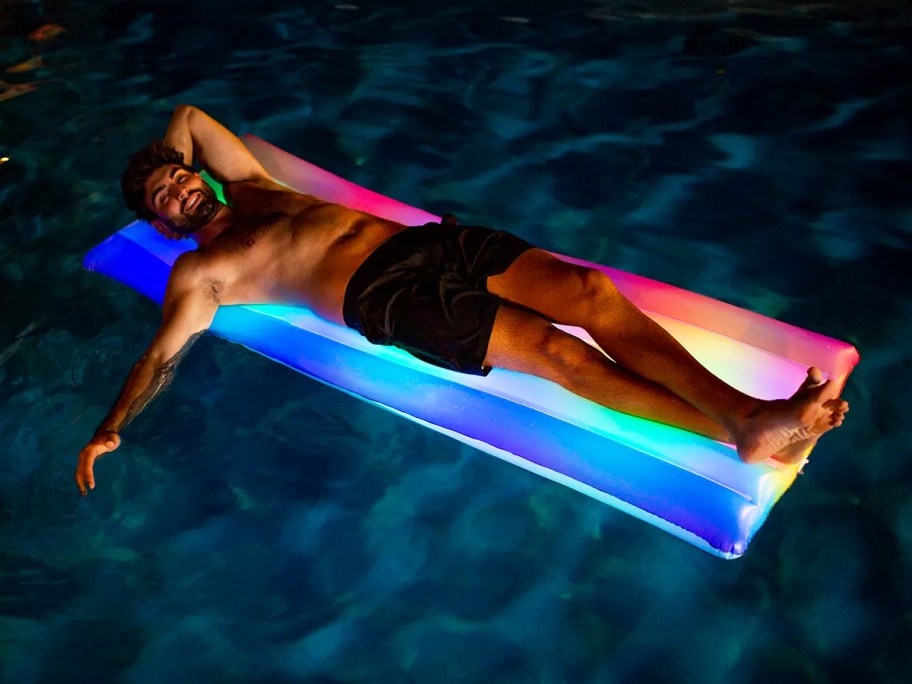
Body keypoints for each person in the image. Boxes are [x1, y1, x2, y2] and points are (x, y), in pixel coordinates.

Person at [75, 105, 848, 495]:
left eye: (176, 176)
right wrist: (112, 429)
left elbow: (187, 117)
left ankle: (750, 416)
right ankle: (740, 426)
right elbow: (160, 357)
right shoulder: (202, 271)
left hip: (428, 242)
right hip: (385, 295)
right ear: (160, 223)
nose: (179, 186)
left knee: (587, 291)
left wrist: (165, 163)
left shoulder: (251, 184)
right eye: (163, 197)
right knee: (559, 355)